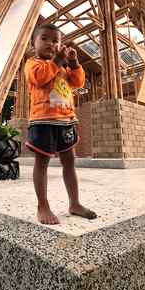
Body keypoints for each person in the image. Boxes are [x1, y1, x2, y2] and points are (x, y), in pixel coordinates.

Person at [24, 23, 97, 225]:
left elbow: (78, 82)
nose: (51, 43)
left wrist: (73, 63)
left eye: (55, 40)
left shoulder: (62, 68)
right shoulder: (32, 63)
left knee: (69, 162)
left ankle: (74, 203)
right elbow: (39, 78)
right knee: (42, 163)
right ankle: (43, 206)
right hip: (43, 121)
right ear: (33, 43)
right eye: (45, 38)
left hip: (66, 121)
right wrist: (58, 60)